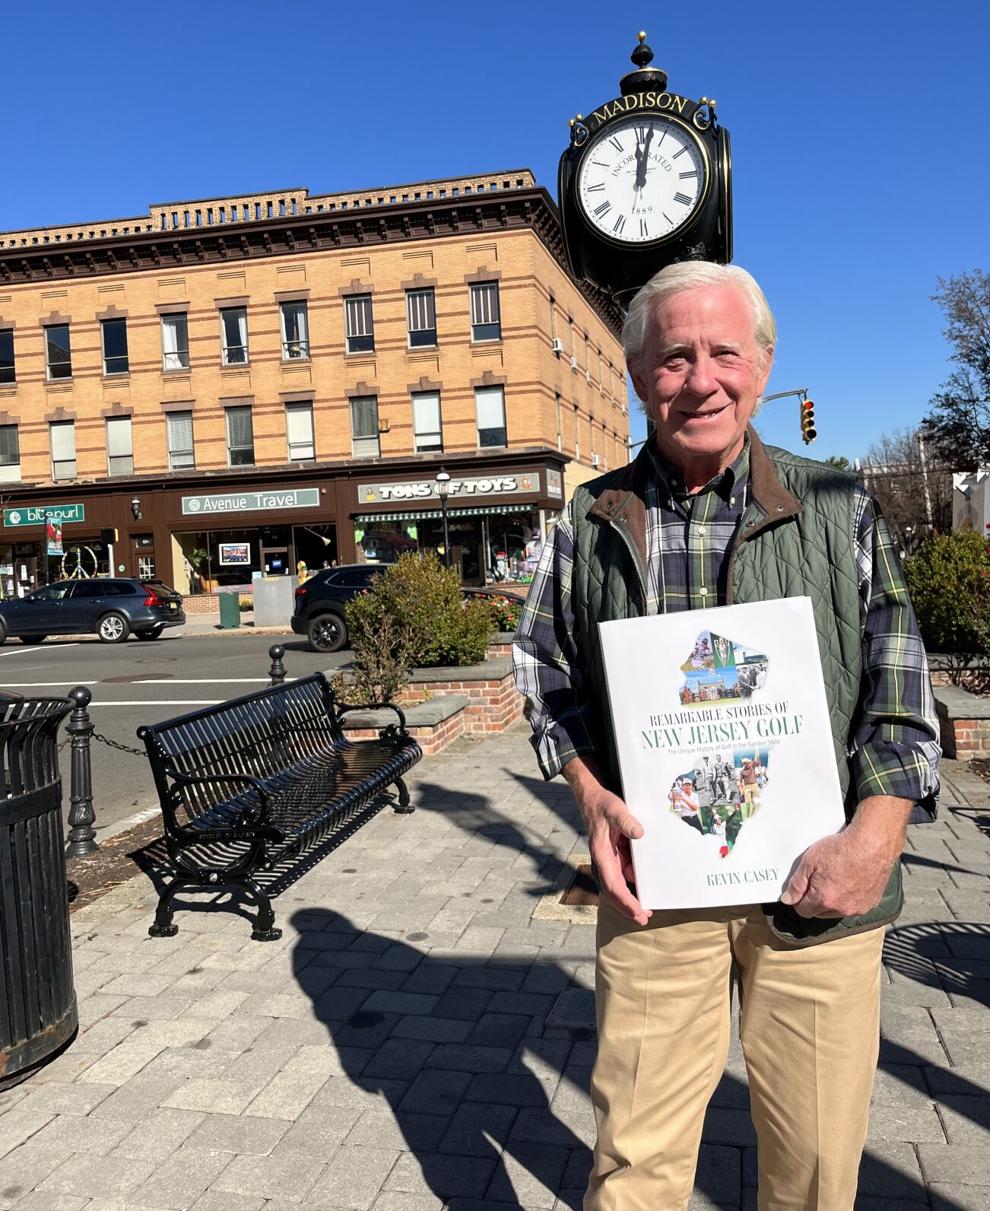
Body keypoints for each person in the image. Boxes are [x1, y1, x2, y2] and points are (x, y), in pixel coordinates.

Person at [513, 261, 940, 1211]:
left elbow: (902, 692)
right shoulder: (590, 517)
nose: (699, 379)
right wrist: (592, 799)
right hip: (659, 885)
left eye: (722, 352)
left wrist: (875, 839)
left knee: (820, 1169)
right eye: (672, 358)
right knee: (635, 1161)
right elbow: (544, 674)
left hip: (819, 890)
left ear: (763, 363)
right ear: (636, 375)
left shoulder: (838, 505)